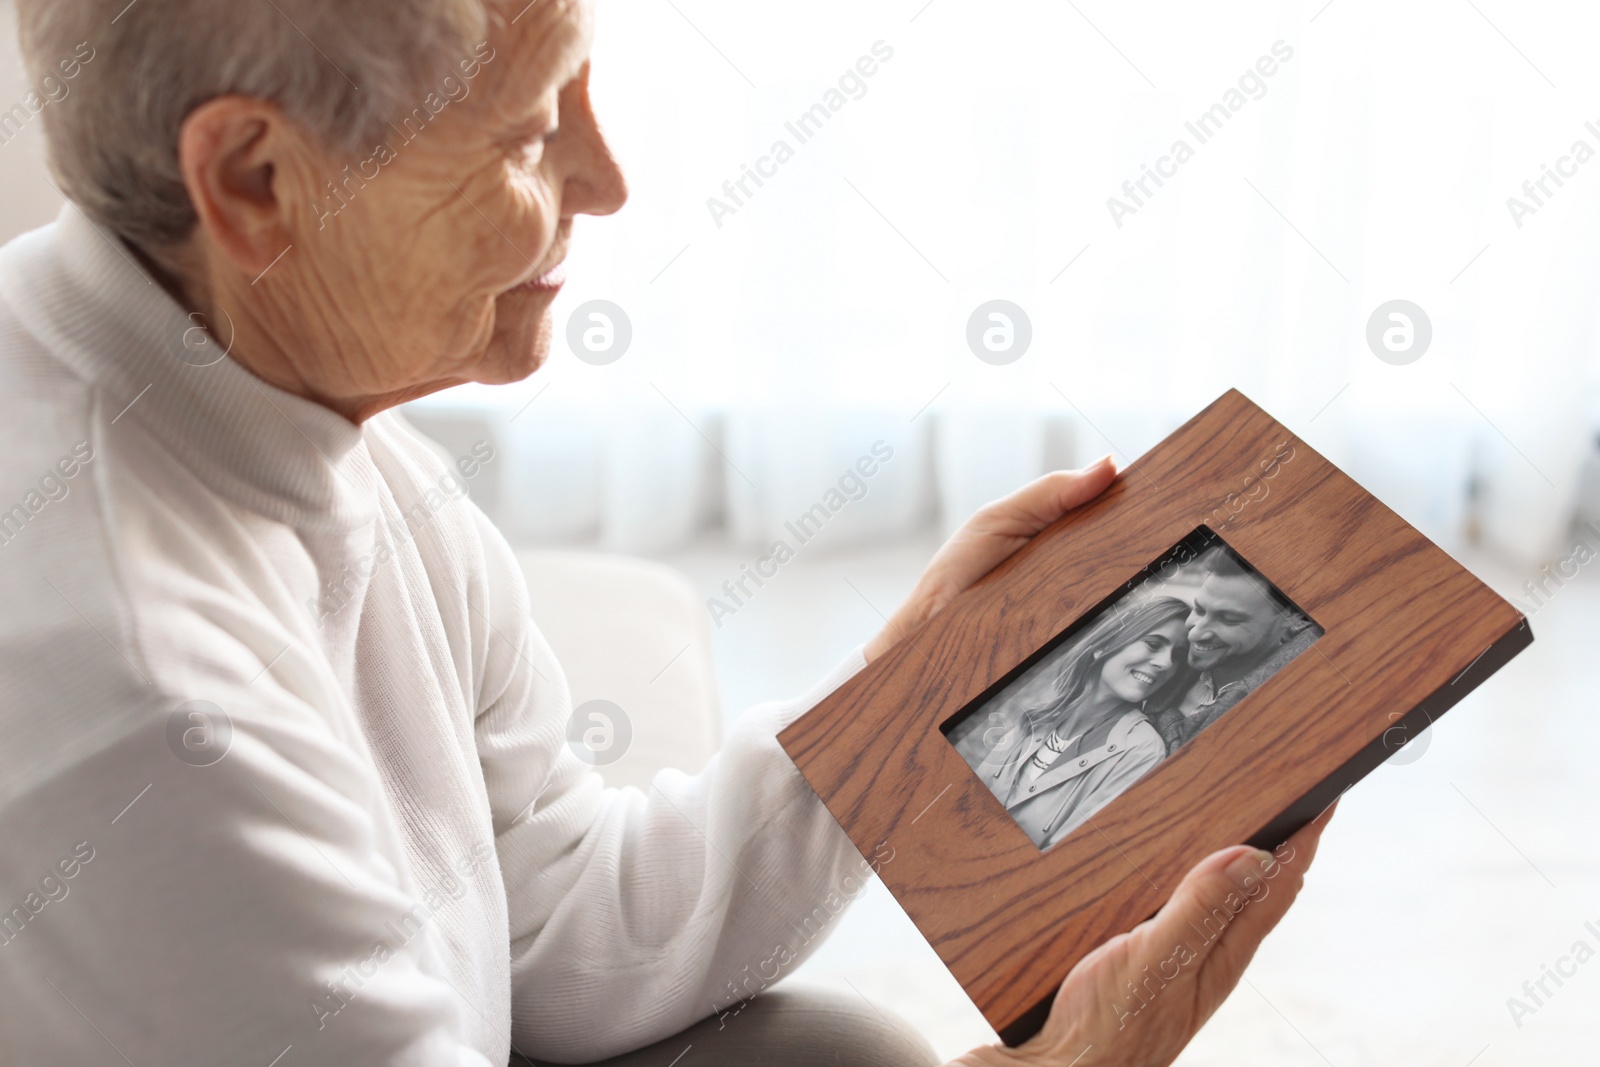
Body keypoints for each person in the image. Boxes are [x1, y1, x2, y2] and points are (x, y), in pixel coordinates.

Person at [0, 2, 1332, 1064]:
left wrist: (898, 703)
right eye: (529, 133)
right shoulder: (142, 707)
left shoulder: (288, 406)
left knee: (846, 1048)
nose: (610, 180)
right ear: (254, 178)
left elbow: (553, 911)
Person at [953, 597, 1189, 849]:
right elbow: (969, 797)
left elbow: (1064, 854)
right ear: (1106, 644)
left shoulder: (1142, 751)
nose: (1166, 664)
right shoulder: (1041, 712)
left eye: (1177, 656)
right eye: (1153, 644)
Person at [1148, 549, 1322, 755]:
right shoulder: (1167, 661)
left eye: (1228, 620)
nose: (1195, 634)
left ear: (1292, 618)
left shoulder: (1291, 712)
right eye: (1199, 610)